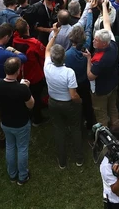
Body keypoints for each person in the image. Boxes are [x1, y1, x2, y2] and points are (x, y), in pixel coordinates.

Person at [0, 56, 34, 185]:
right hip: (21, 123)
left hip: (5, 122)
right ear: (18, 71)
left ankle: (12, 174)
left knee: (10, 146)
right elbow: (31, 104)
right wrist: (26, 88)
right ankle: (23, 176)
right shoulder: (22, 89)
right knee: (22, 148)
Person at [44, 27, 83, 168]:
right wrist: (80, 101)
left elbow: (47, 49)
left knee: (59, 130)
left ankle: (62, 161)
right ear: (64, 56)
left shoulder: (47, 66)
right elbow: (73, 95)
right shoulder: (69, 72)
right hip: (68, 104)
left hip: (53, 102)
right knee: (75, 128)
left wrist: (54, 35)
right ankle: (79, 159)